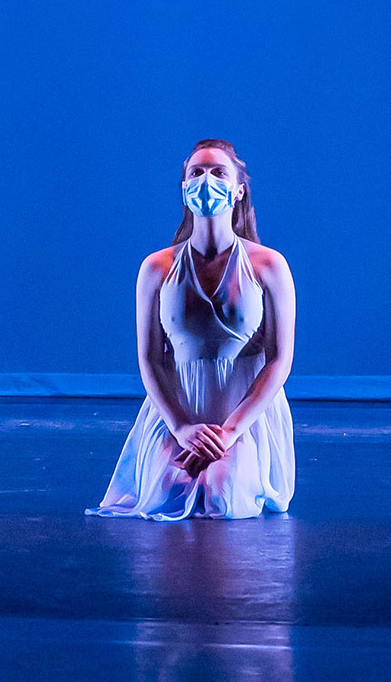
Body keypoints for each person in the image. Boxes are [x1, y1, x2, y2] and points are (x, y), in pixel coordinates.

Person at [86, 139, 296, 520]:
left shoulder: (269, 266)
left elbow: (279, 360)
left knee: (222, 494)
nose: (206, 180)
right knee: (169, 492)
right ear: (184, 188)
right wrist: (181, 427)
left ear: (239, 189)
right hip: (178, 409)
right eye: (197, 172)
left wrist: (229, 432)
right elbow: (150, 359)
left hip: (242, 414)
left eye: (218, 172)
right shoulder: (156, 268)